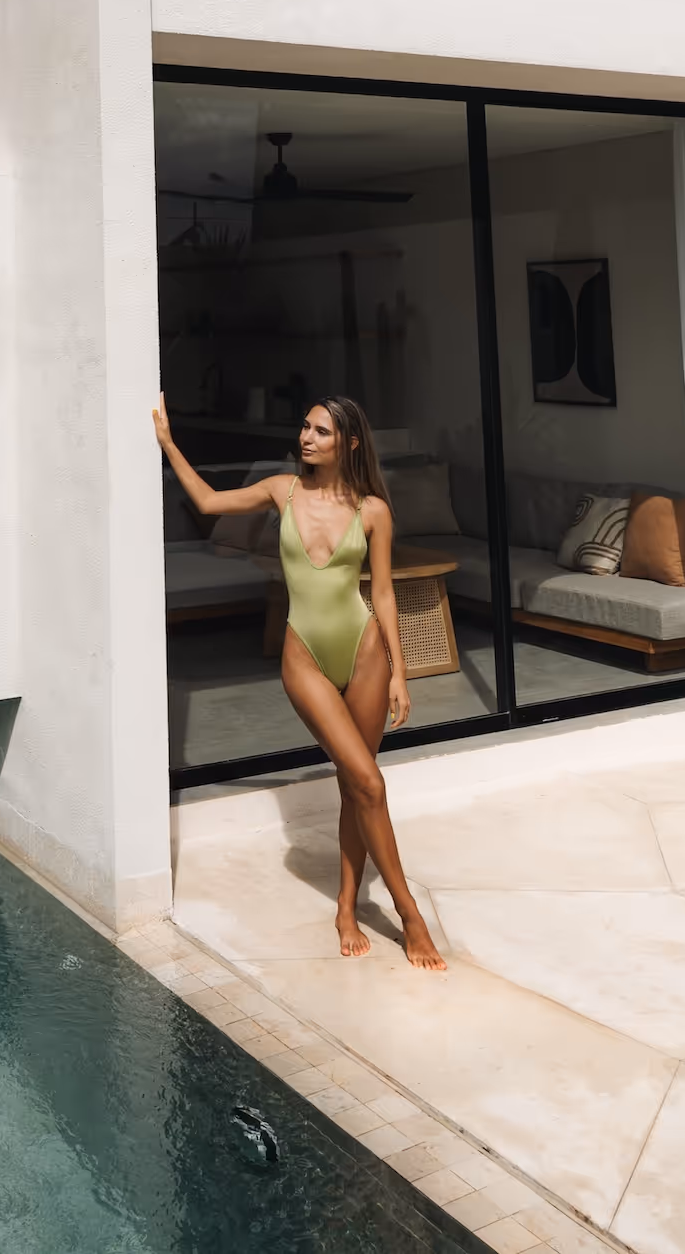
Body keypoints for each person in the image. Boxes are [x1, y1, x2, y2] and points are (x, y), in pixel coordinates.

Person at [154, 391, 446, 971]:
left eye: (321, 432)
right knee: (369, 782)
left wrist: (400, 673)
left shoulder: (372, 511)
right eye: (305, 428)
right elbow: (210, 502)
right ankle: (409, 913)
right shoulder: (280, 491)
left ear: (350, 444)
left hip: (365, 650)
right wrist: (167, 442)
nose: (306, 438)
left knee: (355, 785)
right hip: (305, 654)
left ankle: (345, 905)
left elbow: (383, 592)